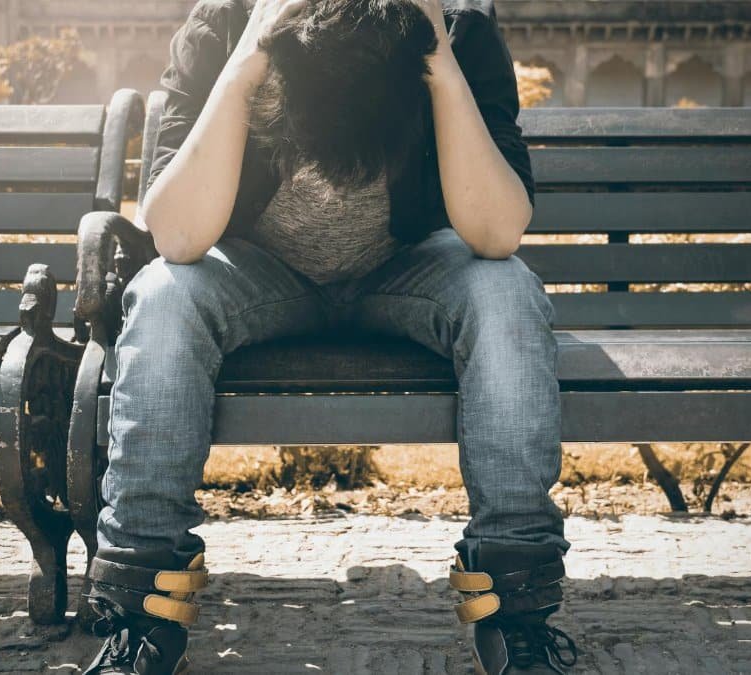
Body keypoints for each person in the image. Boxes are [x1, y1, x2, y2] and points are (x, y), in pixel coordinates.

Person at [82, 0, 575, 672]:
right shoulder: (223, 26)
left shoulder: (460, 32)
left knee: (506, 290)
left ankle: (516, 613)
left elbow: (496, 233)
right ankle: (141, 615)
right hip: (260, 273)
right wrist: (248, 59)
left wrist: (438, 58)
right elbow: (176, 235)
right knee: (165, 295)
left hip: (407, 269)